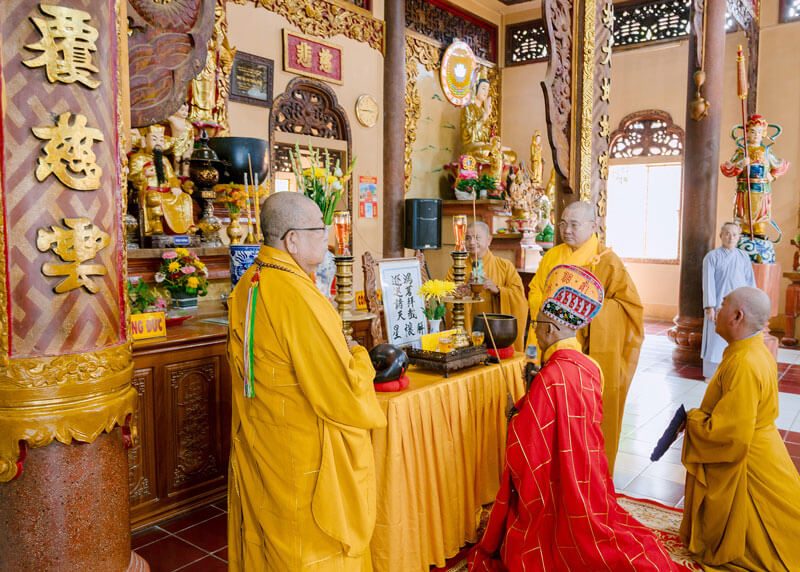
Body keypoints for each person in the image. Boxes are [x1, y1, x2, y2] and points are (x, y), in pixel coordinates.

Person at [470, 265, 679, 572]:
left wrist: (514, 417)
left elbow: (530, 444)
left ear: (551, 330)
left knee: (547, 541)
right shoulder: (591, 366)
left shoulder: (551, 376)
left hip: (559, 487)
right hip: (590, 477)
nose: (536, 331)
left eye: (538, 324)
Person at [227, 192, 386, 571]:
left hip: (261, 434)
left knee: (269, 530)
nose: (327, 237)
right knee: (305, 546)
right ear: (291, 240)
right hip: (300, 448)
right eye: (319, 229)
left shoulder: (250, 280)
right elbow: (342, 392)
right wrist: (361, 357)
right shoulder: (297, 295)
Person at [681, 286, 800, 571]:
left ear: (737, 316)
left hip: (750, 455)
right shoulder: (748, 351)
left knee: (772, 533)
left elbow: (729, 434)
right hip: (762, 444)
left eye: (722, 306)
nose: (716, 311)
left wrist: (693, 421)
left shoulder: (745, 362)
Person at [527, 201, 643, 474]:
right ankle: (551, 474)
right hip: (550, 347)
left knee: (583, 421)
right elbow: (535, 291)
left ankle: (588, 476)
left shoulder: (606, 261)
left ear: (594, 226)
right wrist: (551, 315)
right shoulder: (553, 256)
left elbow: (630, 308)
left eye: (574, 224)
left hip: (587, 354)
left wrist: (586, 319)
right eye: (563, 223)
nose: (567, 230)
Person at [445, 221, 528, 350]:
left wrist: (499, 291)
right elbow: (446, 299)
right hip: (467, 336)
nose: (471, 242)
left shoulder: (505, 267)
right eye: (467, 238)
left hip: (497, 336)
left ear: (489, 240)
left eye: (477, 237)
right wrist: (465, 290)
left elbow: (520, 300)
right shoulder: (456, 269)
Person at [701, 222, 756, 378]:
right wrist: (709, 306)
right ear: (720, 236)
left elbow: (750, 281)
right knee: (715, 339)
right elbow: (708, 283)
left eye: (734, 234)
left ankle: (733, 372)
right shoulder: (712, 257)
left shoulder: (743, 256)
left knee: (737, 339)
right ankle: (711, 374)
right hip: (719, 305)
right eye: (727, 233)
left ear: (738, 237)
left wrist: (751, 303)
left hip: (740, 305)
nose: (730, 237)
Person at [128, 124, 195, 236]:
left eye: (161, 140)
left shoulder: (164, 160)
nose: (158, 142)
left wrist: (175, 187)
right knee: (153, 197)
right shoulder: (138, 158)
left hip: (166, 191)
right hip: (149, 190)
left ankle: (187, 227)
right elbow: (131, 177)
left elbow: (172, 178)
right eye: (154, 139)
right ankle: (156, 224)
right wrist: (144, 173)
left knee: (185, 197)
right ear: (144, 140)